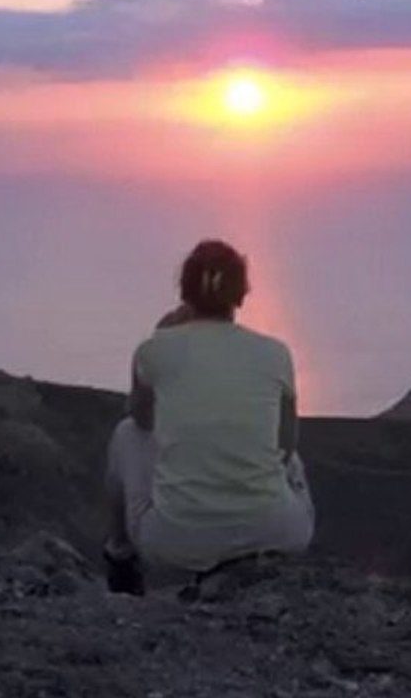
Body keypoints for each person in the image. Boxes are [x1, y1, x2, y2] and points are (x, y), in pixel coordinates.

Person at [103, 239, 314, 595]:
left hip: (177, 540)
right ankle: (253, 550)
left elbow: (142, 418)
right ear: (241, 295)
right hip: (278, 533)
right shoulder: (276, 353)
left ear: (184, 292)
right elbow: (285, 445)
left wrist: (166, 332)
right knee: (292, 457)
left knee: (126, 434)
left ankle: (119, 555)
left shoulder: (154, 350)